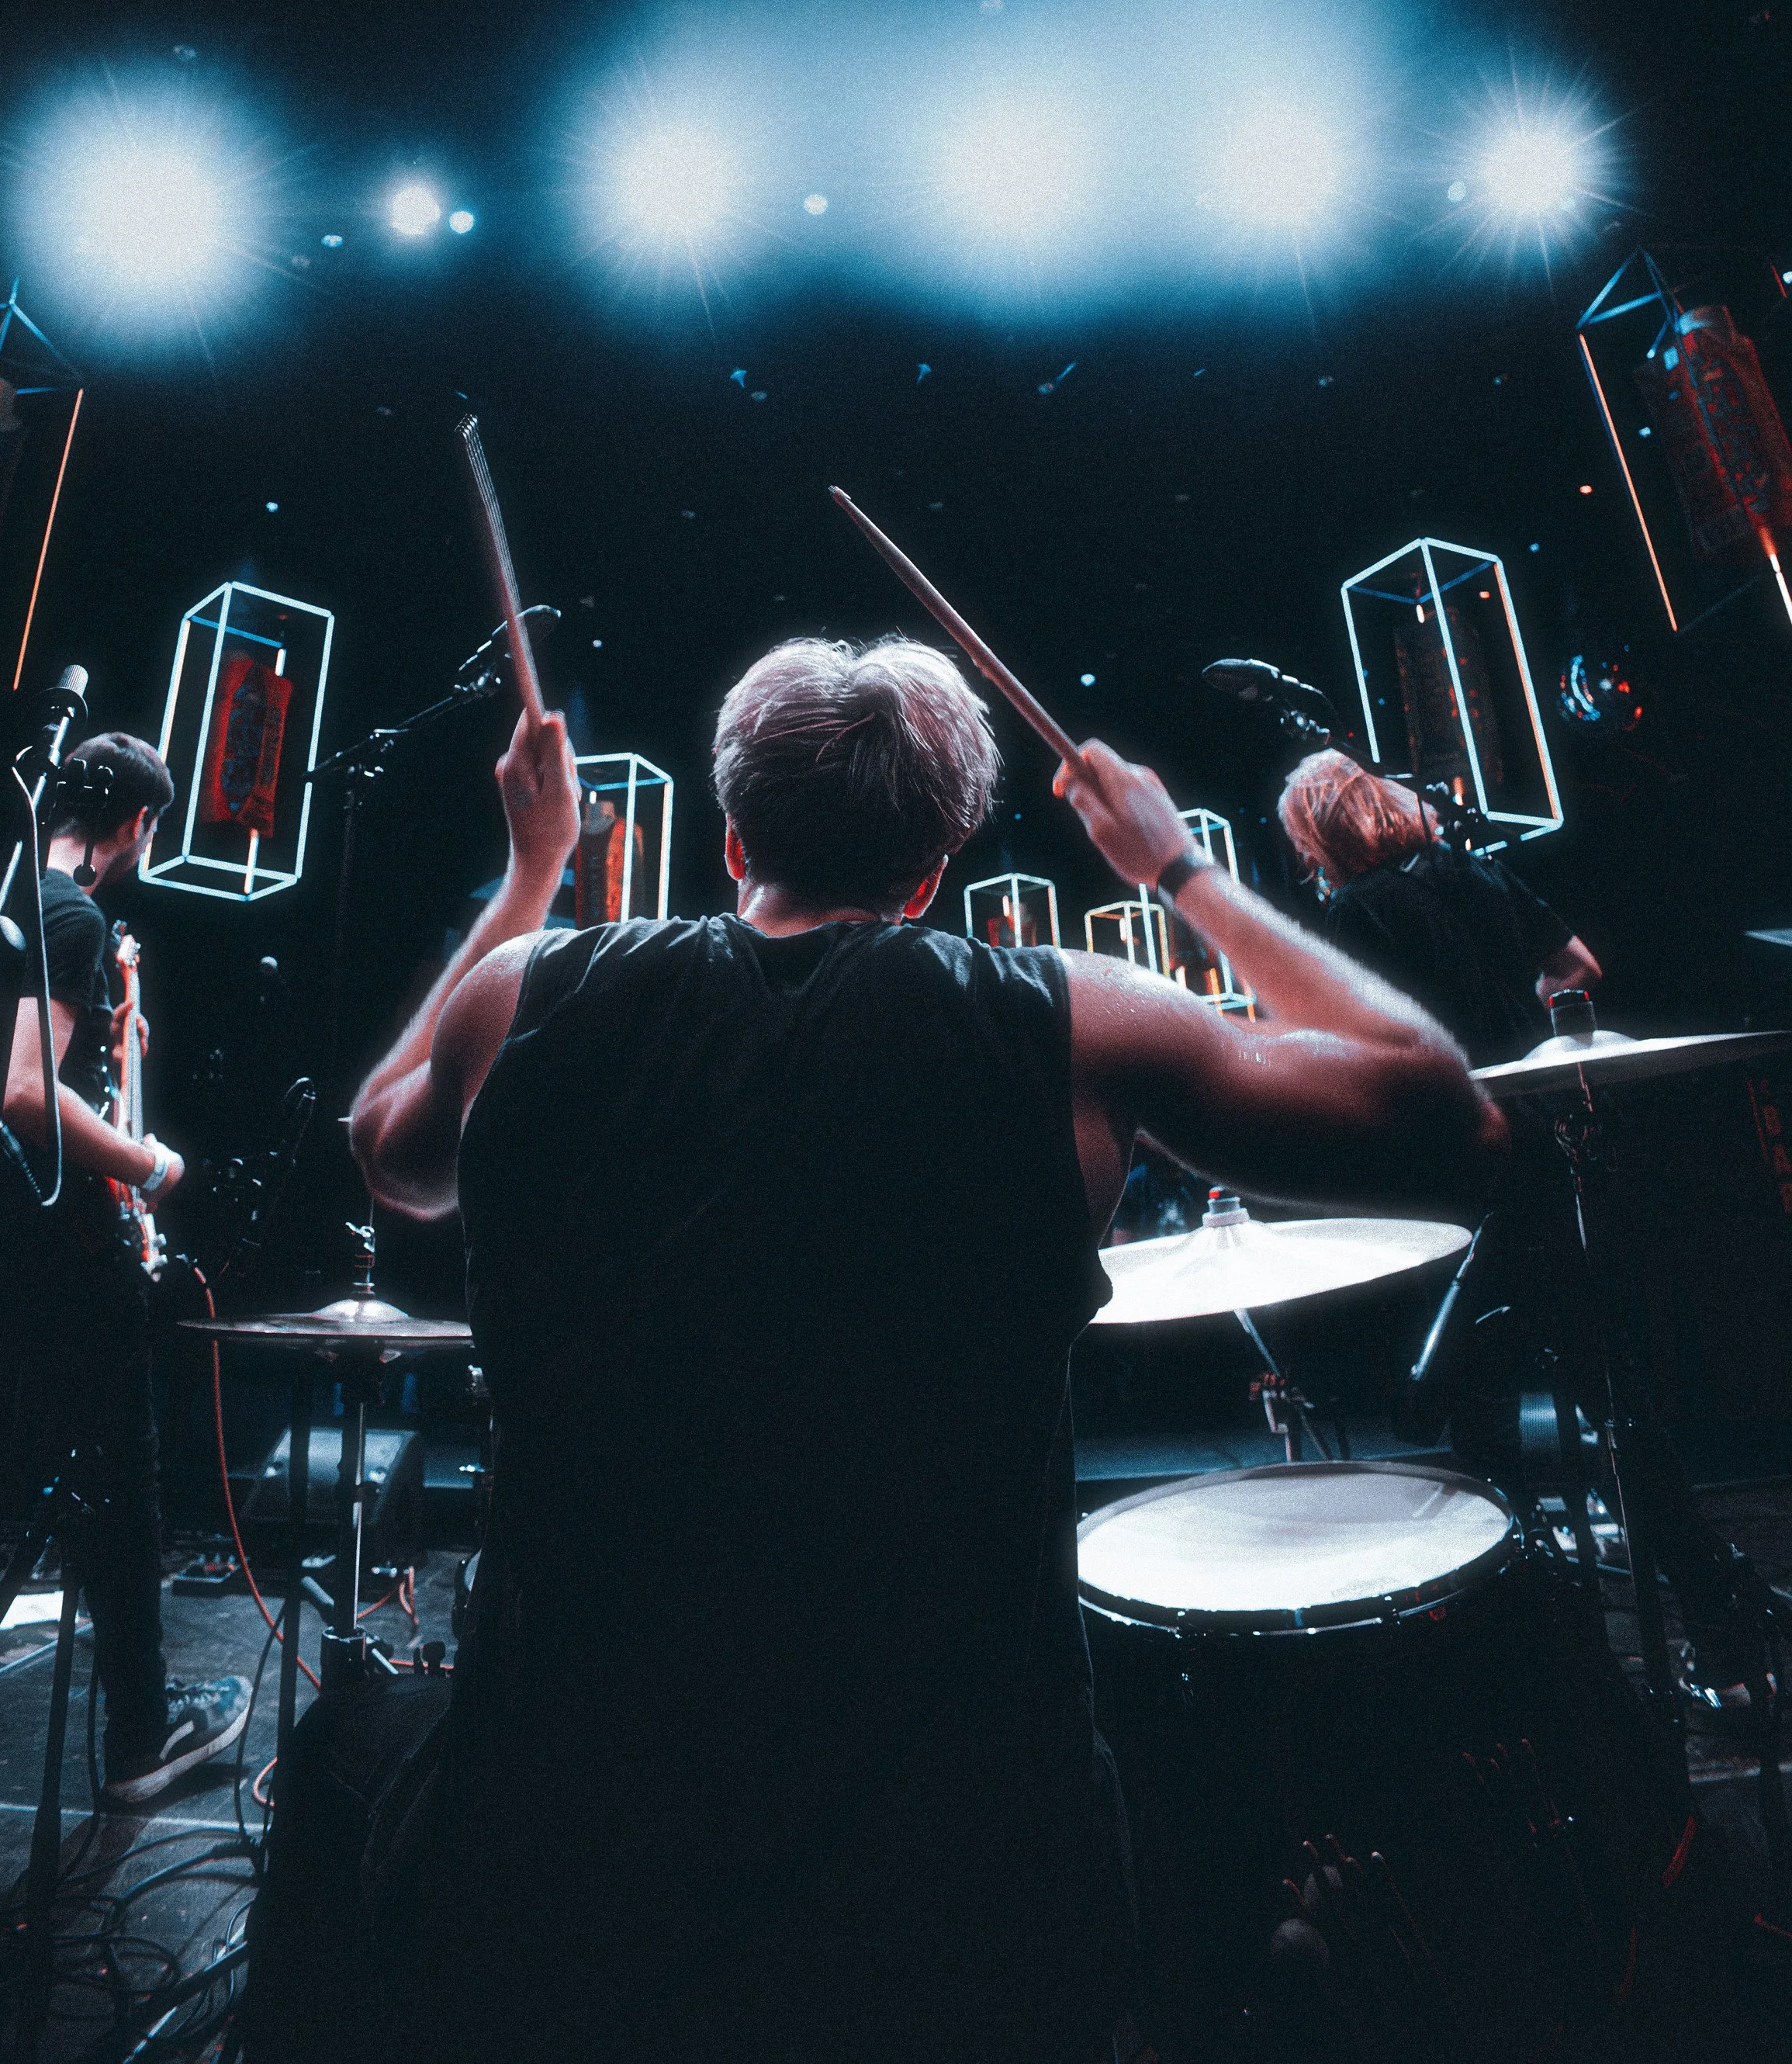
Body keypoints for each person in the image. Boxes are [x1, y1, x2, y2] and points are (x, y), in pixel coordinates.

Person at [249, 640, 1501, 2064]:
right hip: (958, 1855)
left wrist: (536, 868)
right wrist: (1174, 869)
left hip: (570, 1825)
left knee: (344, 1762)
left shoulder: (524, 993)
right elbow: (1436, 1104)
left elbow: (384, 1153)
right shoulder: (1077, 1022)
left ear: (730, 837)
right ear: (936, 867)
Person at [1278, 746, 1758, 1702]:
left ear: (1319, 834)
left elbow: (1353, 1048)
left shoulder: (1353, 914)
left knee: (1472, 1418)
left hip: (1450, 1180)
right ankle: (1722, 1630)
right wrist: (1525, 1041)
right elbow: (1576, 969)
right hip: (1543, 1152)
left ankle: (1528, 1643)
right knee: (1615, 1400)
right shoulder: (1476, 871)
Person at [0, 732, 251, 1820]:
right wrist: (149, 1161)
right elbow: (27, 1092)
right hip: (37, 1240)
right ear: (136, 825)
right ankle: (139, 1730)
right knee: (125, 1476)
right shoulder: (73, 912)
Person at [1275, 748, 1599, 1068]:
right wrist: (1524, 1033)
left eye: (1304, 843)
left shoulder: (1356, 906)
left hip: (1459, 1104)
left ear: (1329, 835)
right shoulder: (1473, 866)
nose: (1307, 860)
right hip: (1537, 1084)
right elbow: (1578, 966)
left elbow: (1366, 1042)